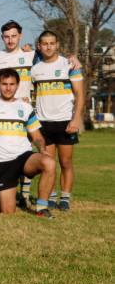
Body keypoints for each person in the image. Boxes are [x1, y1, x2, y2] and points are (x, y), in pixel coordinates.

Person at [0, 68, 56, 216]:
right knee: (8, 211)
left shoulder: (25, 107)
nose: (8, 88)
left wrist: (42, 149)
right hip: (2, 163)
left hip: (24, 157)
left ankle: (41, 208)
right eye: (4, 84)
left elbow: (37, 136)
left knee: (49, 162)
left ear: (18, 85)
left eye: (12, 84)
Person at [30, 30, 85, 212]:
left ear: (57, 44)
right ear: (39, 46)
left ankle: (65, 198)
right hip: (43, 123)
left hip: (65, 122)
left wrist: (76, 119)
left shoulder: (69, 65)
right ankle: (51, 196)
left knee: (66, 162)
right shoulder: (35, 69)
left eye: (51, 43)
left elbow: (80, 94)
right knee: (48, 162)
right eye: (44, 43)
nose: (48, 46)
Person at [0, 21, 34, 102]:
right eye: (6, 37)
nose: (10, 40)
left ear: (20, 36)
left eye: (13, 36)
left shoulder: (30, 56)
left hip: (22, 107)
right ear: (2, 37)